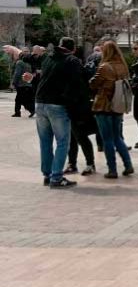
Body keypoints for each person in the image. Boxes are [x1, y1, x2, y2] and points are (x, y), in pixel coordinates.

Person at [5, 38, 83, 188]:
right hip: (58, 105)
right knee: (62, 143)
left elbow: (27, 56)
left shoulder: (48, 57)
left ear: (59, 46)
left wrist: (15, 50)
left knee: (45, 141)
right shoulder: (72, 61)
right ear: (73, 49)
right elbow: (79, 83)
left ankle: (48, 175)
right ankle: (56, 177)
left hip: (40, 103)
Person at [90, 40, 134, 179]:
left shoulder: (104, 67)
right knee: (118, 137)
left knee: (107, 139)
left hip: (104, 105)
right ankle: (128, 165)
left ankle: (112, 170)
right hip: (118, 105)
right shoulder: (123, 66)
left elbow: (93, 84)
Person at [11, 47, 34, 117]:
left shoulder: (20, 63)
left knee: (23, 99)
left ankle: (32, 110)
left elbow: (17, 73)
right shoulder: (30, 63)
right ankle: (17, 112)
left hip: (21, 84)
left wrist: (13, 83)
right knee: (19, 99)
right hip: (28, 84)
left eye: (26, 51)